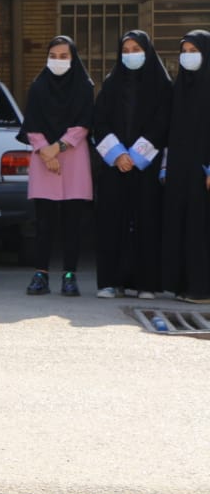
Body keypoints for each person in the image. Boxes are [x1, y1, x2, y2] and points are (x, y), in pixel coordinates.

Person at [92, 30, 170, 301]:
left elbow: (163, 124)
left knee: (147, 223)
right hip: (115, 167)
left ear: (147, 51)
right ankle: (109, 282)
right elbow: (99, 122)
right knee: (112, 223)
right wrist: (117, 155)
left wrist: (136, 156)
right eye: (125, 50)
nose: (130, 54)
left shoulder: (162, 86)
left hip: (145, 168)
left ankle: (145, 284)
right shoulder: (111, 84)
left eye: (136, 48)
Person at [17, 36, 94, 297]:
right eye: (53, 56)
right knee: (44, 223)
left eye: (64, 56)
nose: (58, 61)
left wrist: (57, 148)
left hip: (72, 160)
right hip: (43, 161)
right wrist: (44, 151)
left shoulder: (84, 86)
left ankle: (69, 276)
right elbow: (31, 124)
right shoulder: (38, 86)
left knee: (73, 224)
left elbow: (84, 124)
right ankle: (41, 274)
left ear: (73, 59)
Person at [161, 30, 210, 303]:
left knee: (201, 227)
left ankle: (203, 288)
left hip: (204, 171)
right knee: (182, 225)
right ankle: (184, 285)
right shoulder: (180, 86)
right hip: (181, 170)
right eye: (185, 51)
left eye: (195, 51)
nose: (188, 57)